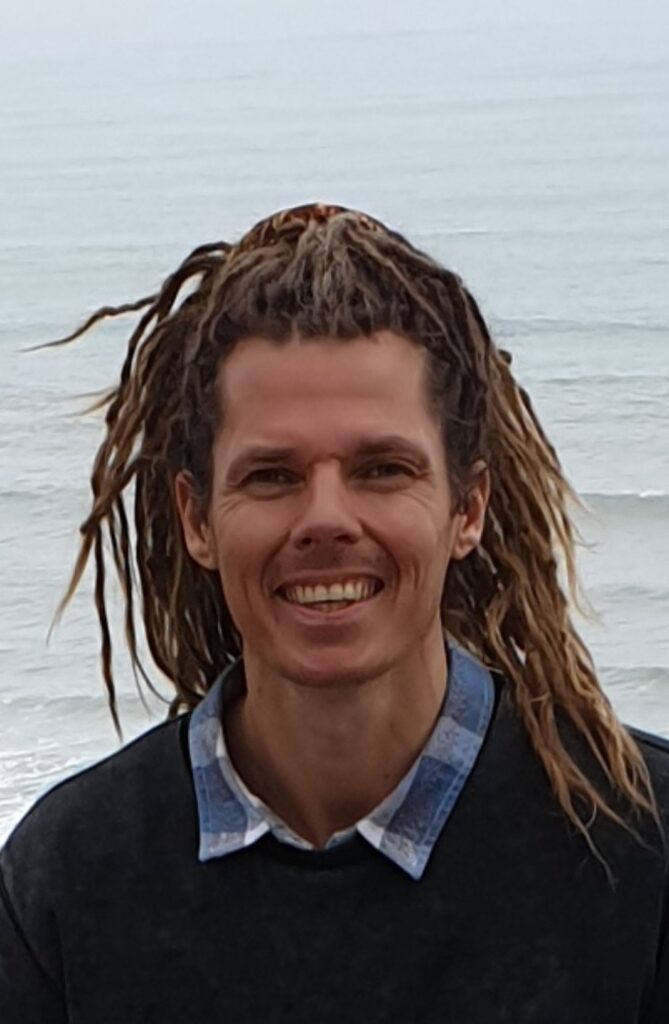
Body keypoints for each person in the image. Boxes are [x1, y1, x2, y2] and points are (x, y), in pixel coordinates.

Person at [1, 203, 667, 1023]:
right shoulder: (66, 880)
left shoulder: (640, 852)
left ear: (467, 508)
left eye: (381, 469)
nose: (325, 519)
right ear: (197, 519)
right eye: (272, 476)